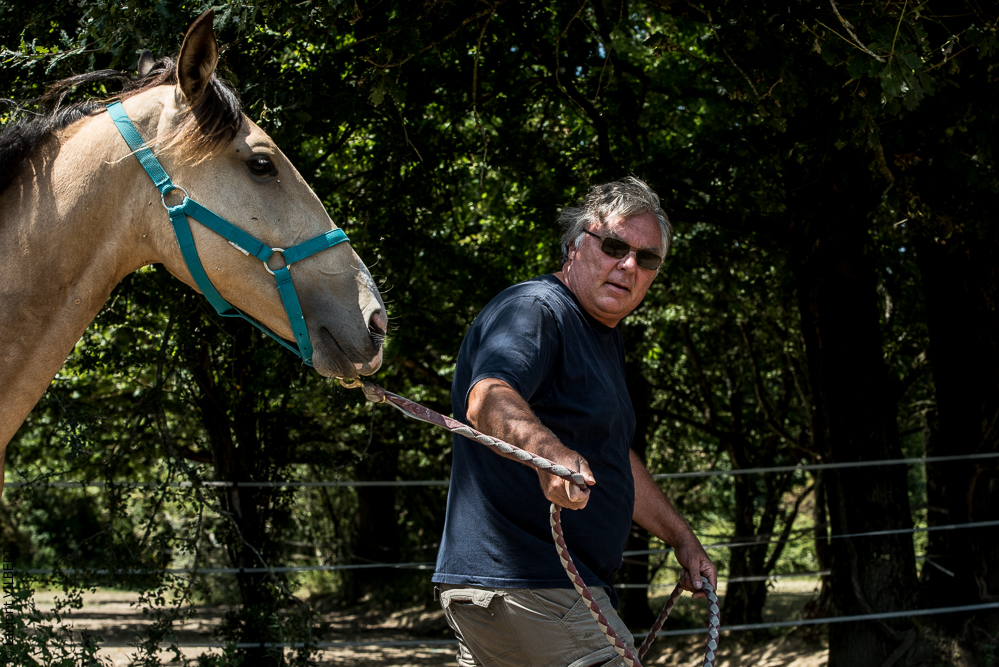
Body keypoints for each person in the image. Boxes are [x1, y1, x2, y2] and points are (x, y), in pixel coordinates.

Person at [432, 177, 717, 667]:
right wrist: (551, 456)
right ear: (574, 244)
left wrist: (683, 541)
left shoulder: (600, 337)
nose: (628, 265)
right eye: (614, 246)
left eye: (647, 259)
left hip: (525, 592)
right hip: (535, 586)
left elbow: (612, 458)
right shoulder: (536, 309)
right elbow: (488, 397)